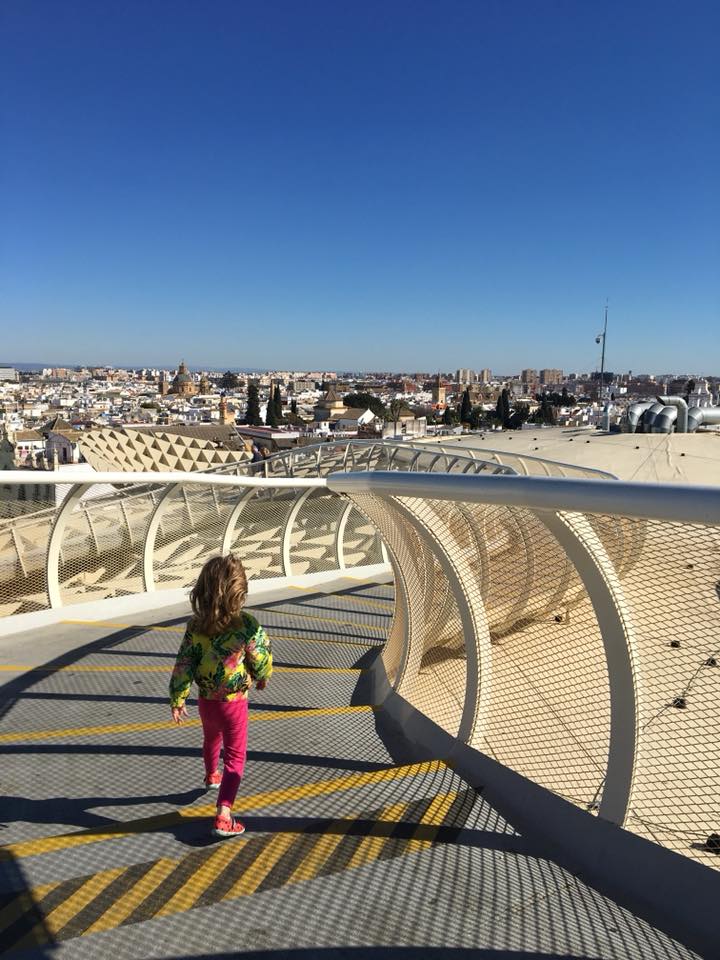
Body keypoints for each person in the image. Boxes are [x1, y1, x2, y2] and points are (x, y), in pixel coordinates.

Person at [169, 554, 272, 838]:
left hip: (205, 700)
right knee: (236, 757)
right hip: (234, 703)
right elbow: (260, 656)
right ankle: (224, 813)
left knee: (211, 737)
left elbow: (184, 663)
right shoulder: (247, 625)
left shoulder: (195, 626)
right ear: (240, 593)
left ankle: (211, 775)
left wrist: (178, 698)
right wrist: (262, 676)